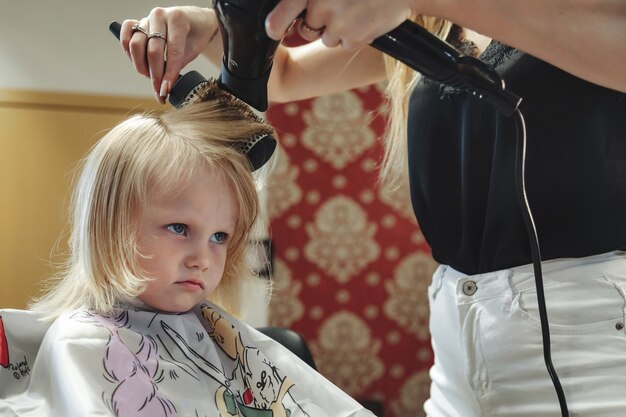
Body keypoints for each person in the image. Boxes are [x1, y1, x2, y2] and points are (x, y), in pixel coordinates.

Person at [116, 1, 626, 416]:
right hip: (456, 335)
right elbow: (286, 76)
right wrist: (212, 27)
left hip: (588, 336)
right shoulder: (431, 25)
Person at [0, 94, 377, 417]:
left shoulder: (214, 331)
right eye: (179, 229)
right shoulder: (82, 344)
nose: (203, 258)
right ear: (108, 225)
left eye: (219, 236)